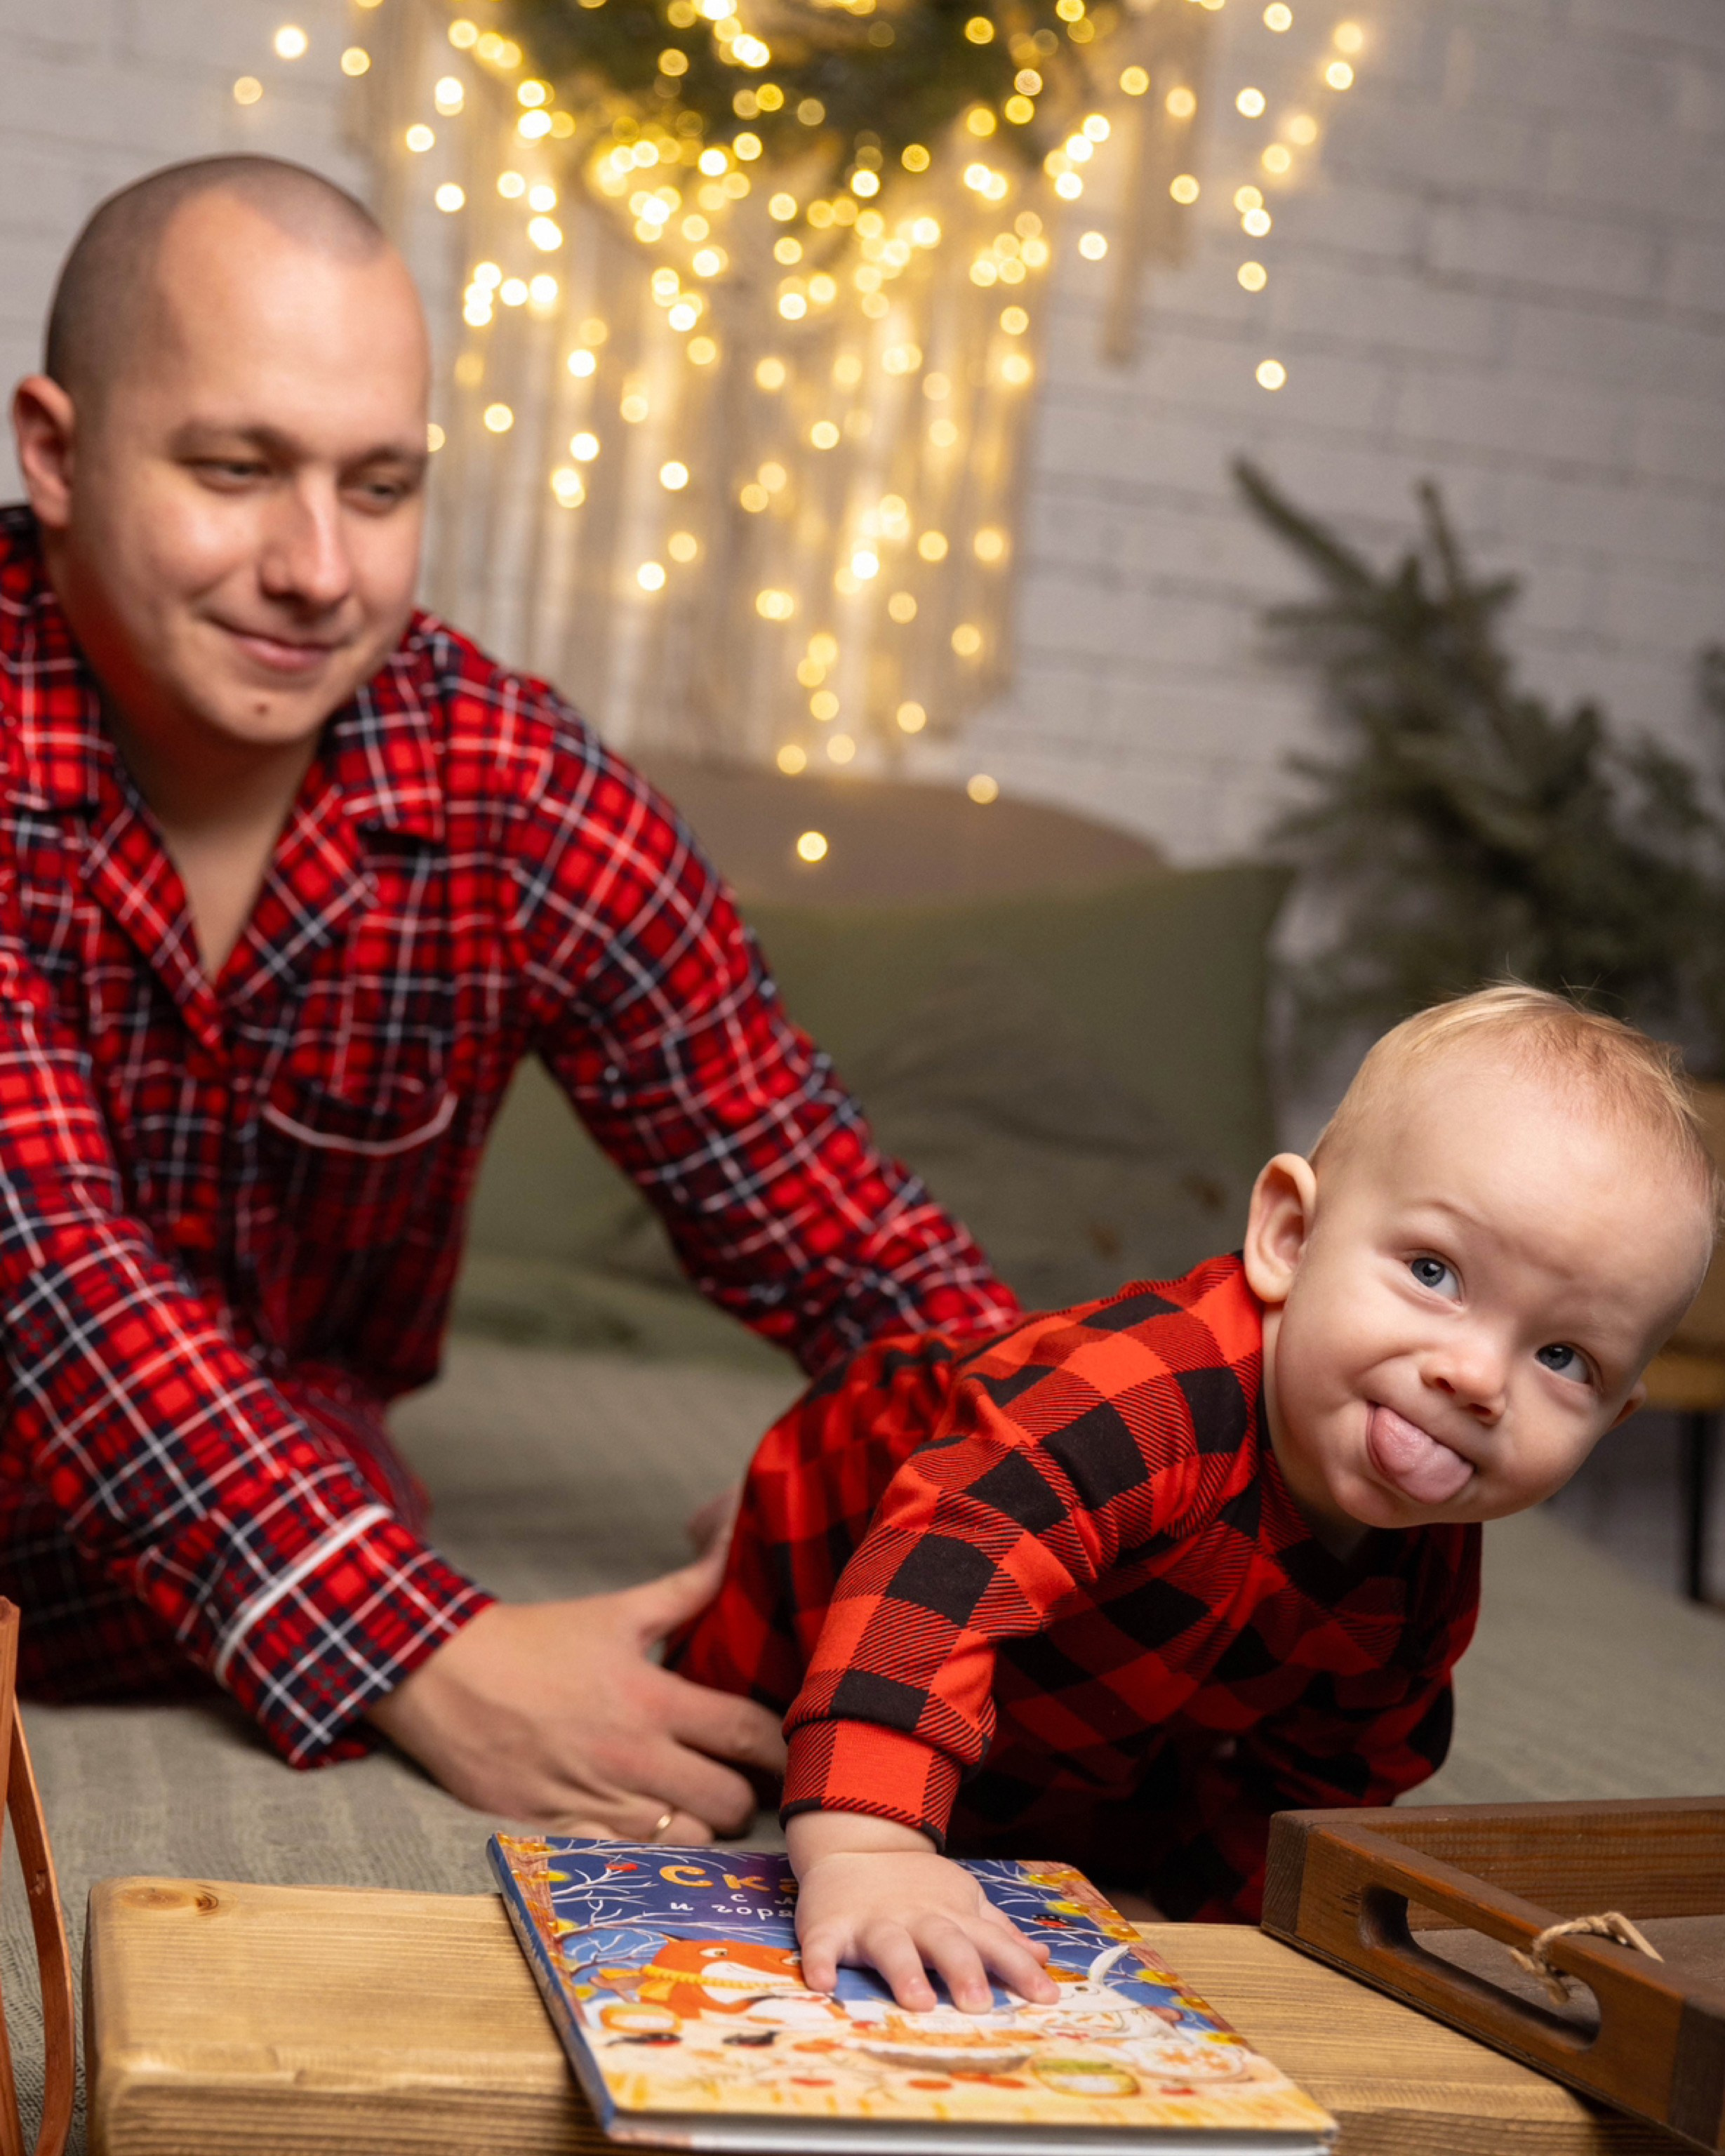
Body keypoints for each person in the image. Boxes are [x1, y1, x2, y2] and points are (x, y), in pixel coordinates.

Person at [0, 154, 1017, 1839]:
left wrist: (974, 1495)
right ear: (54, 452)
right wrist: (435, 1652)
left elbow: (833, 1222)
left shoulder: (514, 792)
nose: (318, 567)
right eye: (236, 470)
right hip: (244, 1525)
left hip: (274, 1523)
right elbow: (48, 1271)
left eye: (379, 486)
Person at [673, 986, 1719, 2009]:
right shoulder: (1144, 1396)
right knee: (716, 1748)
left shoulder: (1422, 1576)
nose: (1477, 1379)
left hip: (1115, 1654)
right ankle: (731, 1546)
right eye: (1434, 1272)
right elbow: (942, 1573)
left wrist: (1194, 1914)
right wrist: (870, 1848)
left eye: (1561, 1357)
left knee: (1104, 1802)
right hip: (865, 1514)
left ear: (1612, 1418)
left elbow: (1329, 1774)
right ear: (1289, 1238)